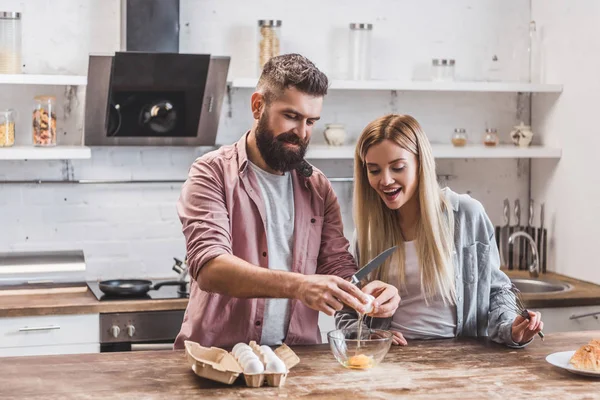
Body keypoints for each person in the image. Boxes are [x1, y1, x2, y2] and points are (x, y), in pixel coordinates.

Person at [174, 54, 400, 349]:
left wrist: (366, 296)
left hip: (297, 361)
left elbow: (337, 264)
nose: (302, 132)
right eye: (291, 117)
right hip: (217, 359)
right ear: (258, 106)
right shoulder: (211, 172)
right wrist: (300, 285)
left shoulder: (318, 187)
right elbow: (210, 269)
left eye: (311, 121)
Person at [335, 114, 543, 348]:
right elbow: (347, 311)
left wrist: (511, 326)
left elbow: (497, 291)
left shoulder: (467, 214)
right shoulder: (369, 233)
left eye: (398, 167)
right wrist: (368, 335)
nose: (386, 180)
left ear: (421, 164)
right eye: (374, 171)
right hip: (393, 359)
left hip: (462, 358)